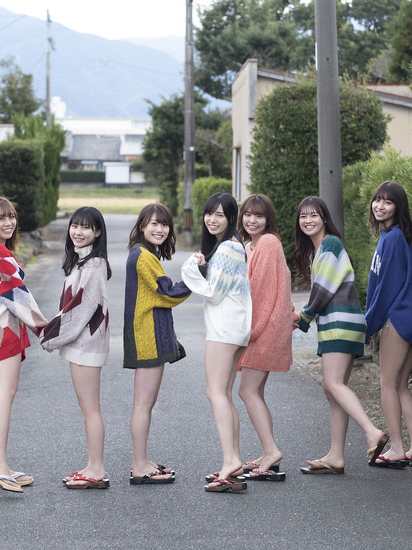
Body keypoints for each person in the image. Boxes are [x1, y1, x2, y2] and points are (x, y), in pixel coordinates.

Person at [293, 197, 388, 475]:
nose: (308, 220)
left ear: (324, 218)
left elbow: (322, 290)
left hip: (340, 323)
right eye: (303, 216)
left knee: (333, 384)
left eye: (314, 215)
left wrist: (303, 317)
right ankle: (336, 456)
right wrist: (304, 318)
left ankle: (372, 432)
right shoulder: (318, 249)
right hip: (340, 323)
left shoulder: (330, 244)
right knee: (334, 390)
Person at [0, 197, 48, 493]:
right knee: (5, 391)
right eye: (0, 218)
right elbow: (18, 295)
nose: (8, 222)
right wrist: (44, 328)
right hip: (2, 330)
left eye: (11, 216)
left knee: (2, 392)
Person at [181, 193, 251, 494]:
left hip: (224, 329)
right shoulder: (233, 247)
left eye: (220, 215)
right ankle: (234, 462)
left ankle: (231, 460)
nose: (212, 219)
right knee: (224, 394)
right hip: (233, 328)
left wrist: (189, 268)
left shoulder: (227, 249)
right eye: (209, 213)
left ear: (231, 218)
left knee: (216, 393)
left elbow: (213, 292)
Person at [41, 207, 111, 490]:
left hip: (87, 345)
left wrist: (49, 336)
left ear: (97, 232)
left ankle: (97, 469)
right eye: (74, 226)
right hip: (83, 344)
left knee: (91, 409)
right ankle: (92, 465)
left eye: (85, 227)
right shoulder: (82, 262)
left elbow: (78, 311)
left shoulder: (93, 266)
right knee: (88, 409)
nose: (78, 232)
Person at [365, 181, 412, 468]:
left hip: (399, 316)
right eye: (377, 200)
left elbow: (385, 289)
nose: (380, 206)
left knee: (388, 385)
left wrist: (369, 325)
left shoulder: (392, 238)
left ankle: (396, 448)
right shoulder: (396, 237)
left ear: (398, 207)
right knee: (401, 385)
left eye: (388, 202)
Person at [123, 203, 190, 485]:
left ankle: (142, 460)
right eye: (154, 223)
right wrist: (197, 275)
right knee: (143, 404)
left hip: (148, 334)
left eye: (164, 224)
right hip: (147, 337)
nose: (160, 229)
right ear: (142, 226)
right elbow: (168, 294)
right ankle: (139, 465)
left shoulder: (144, 253)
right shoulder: (143, 256)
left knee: (145, 404)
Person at [236, 194, 294, 482]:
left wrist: (250, 331)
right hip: (263, 326)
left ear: (268, 219)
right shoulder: (251, 245)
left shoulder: (268, 242)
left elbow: (259, 290)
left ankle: (271, 451)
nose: (252, 220)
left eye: (259, 216)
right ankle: (267, 452)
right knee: (254, 392)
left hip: (263, 329)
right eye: (248, 214)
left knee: (247, 391)